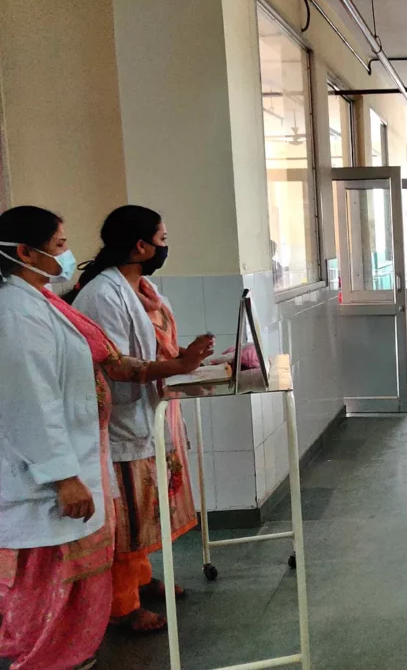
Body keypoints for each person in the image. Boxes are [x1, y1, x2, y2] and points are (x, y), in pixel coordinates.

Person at [0, 206, 211, 670]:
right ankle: (40, 660)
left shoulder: (43, 301)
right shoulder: (15, 313)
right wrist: (62, 476)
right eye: (58, 245)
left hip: (79, 456)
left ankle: (65, 656)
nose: (67, 254)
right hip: (41, 482)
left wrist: (177, 366)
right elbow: (28, 402)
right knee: (43, 593)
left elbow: (110, 360)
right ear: (23, 252)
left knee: (76, 581)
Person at [69, 206, 199, 632]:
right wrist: (178, 367)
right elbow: (116, 365)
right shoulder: (102, 294)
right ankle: (121, 606)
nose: (165, 246)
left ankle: (141, 579)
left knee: (145, 507)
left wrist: (186, 360)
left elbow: (154, 347)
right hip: (122, 419)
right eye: (161, 239)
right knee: (126, 515)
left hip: (149, 410)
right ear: (140, 245)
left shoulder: (142, 287)